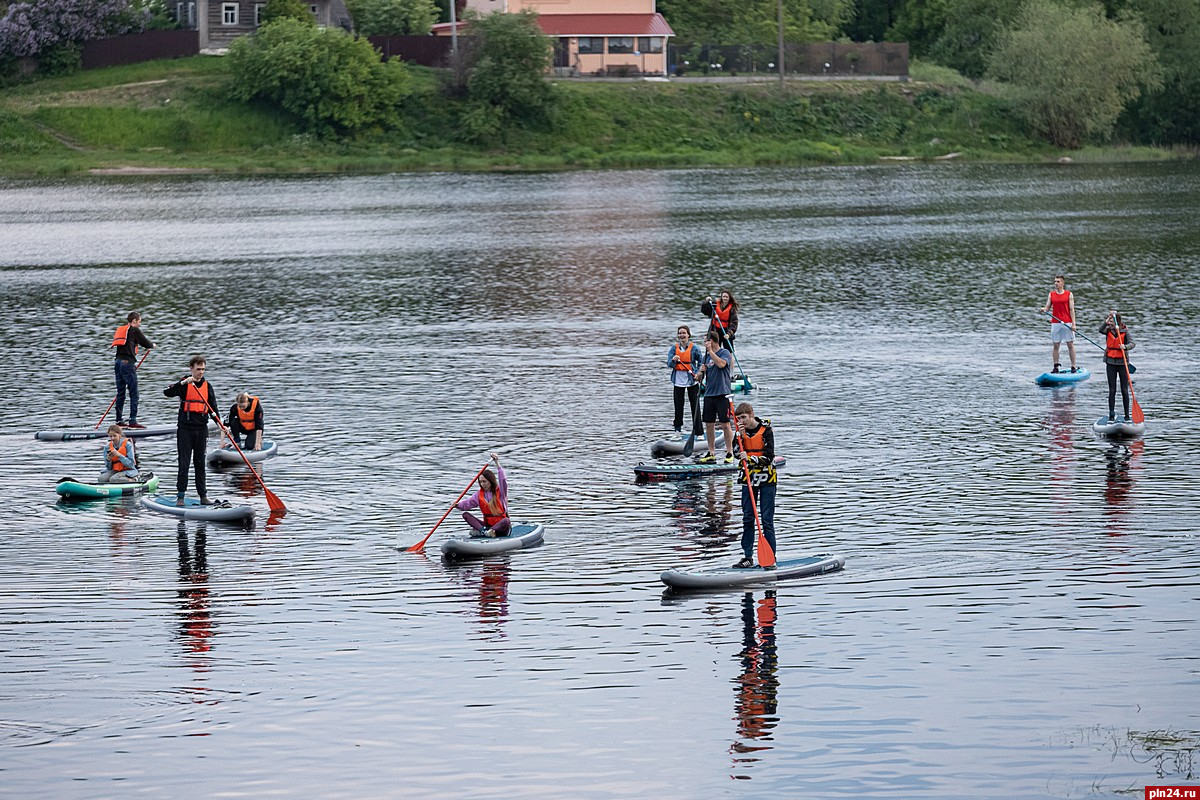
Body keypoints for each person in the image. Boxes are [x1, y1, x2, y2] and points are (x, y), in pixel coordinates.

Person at [164, 355, 219, 506]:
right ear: (191, 369)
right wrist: (182, 382)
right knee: (184, 464)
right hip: (185, 430)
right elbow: (167, 393)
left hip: (201, 430)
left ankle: (203, 496)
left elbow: (213, 407)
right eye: (198, 369)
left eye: (203, 369)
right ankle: (180, 496)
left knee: (200, 464)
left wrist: (222, 425)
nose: (201, 372)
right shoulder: (185, 384)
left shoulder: (208, 386)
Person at [732, 402, 777, 569]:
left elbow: (769, 457)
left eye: (743, 417)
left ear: (751, 415)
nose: (741, 421)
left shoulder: (767, 430)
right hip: (748, 479)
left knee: (767, 520)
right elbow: (737, 453)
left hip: (767, 479)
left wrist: (750, 459)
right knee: (748, 518)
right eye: (738, 419)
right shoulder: (739, 433)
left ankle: (771, 557)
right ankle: (748, 556)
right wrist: (741, 439)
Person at [696, 331, 735, 464]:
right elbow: (701, 376)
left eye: (706, 341)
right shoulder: (706, 356)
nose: (704, 344)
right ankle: (711, 453)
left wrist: (710, 352)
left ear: (711, 341)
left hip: (722, 393)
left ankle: (729, 452)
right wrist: (700, 373)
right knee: (709, 424)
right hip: (709, 393)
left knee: (725, 424)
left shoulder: (724, 353)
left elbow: (721, 364)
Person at [111, 311, 154, 428]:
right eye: (139, 322)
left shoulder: (122, 330)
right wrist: (152, 345)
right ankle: (132, 421)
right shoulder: (134, 330)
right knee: (134, 393)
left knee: (121, 393)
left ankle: (119, 421)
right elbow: (146, 343)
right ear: (134, 320)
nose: (139, 324)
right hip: (127, 364)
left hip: (117, 363)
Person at [456, 453, 511, 538]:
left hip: (501, 529)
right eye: (480, 482)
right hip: (487, 527)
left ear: (490, 481)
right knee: (465, 515)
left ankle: (485, 532)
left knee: (506, 521)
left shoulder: (501, 491)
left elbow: (503, 480)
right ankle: (483, 531)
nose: (482, 484)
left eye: (484, 482)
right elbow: (467, 504)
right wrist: (457, 505)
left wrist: (497, 463)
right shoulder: (478, 495)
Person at [667, 325, 704, 436]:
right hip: (678, 382)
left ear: (688, 335)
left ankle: (699, 432)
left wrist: (698, 373)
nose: (682, 335)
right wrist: (673, 360)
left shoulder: (695, 348)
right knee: (678, 406)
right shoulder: (674, 348)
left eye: (684, 333)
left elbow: (701, 362)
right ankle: (678, 430)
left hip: (691, 381)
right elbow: (669, 363)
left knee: (695, 406)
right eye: (680, 333)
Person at [1100, 310, 1136, 422]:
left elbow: (1132, 343)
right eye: (1108, 320)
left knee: (1124, 389)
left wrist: (1125, 347)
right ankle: (1111, 413)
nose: (1109, 322)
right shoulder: (1108, 330)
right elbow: (1100, 330)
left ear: (1117, 321)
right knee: (1112, 390)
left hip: (1122, 363)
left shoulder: (1125, 331)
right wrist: (1106, 322)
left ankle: (1127, 415)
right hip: (1110, 363)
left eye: (1111, 320)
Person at [1039, 275, 1078, 373]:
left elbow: (1071, 309)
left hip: (1067, 322)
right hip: (1056, 322)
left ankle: (1073, 366)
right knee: (1056, 345)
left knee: (1070, 344)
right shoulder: (1051, 294)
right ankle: (1056, 366)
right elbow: (1047, 307)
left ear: (1063, 283)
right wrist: (1044, 309)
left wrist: (1074, 324)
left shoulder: (1069, 294)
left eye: (1058, 281)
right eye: (1055, 281)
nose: (1056, 283)